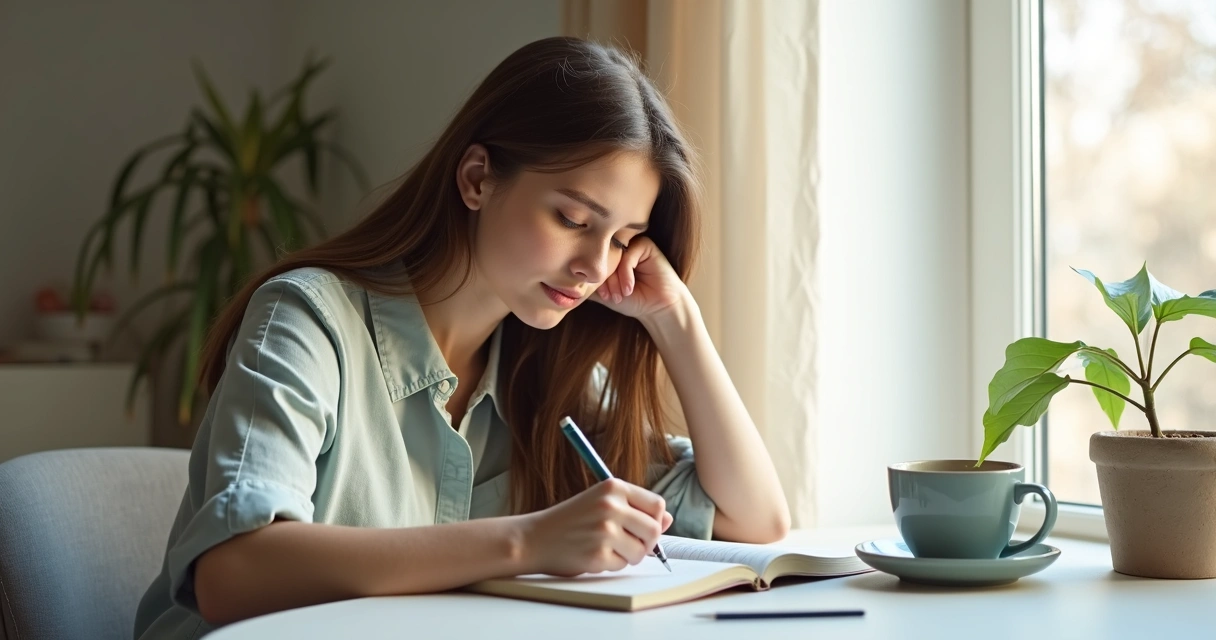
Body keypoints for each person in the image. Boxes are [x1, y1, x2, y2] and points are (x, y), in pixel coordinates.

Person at [133, 36, 789, 640]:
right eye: (572, 218)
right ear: (477, 179)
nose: (596, 267)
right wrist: (525, 542)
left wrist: (676, 317)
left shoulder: (545, 375)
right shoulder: (309, 321)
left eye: (622, 239)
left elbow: (756, 520)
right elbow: (230, 574)